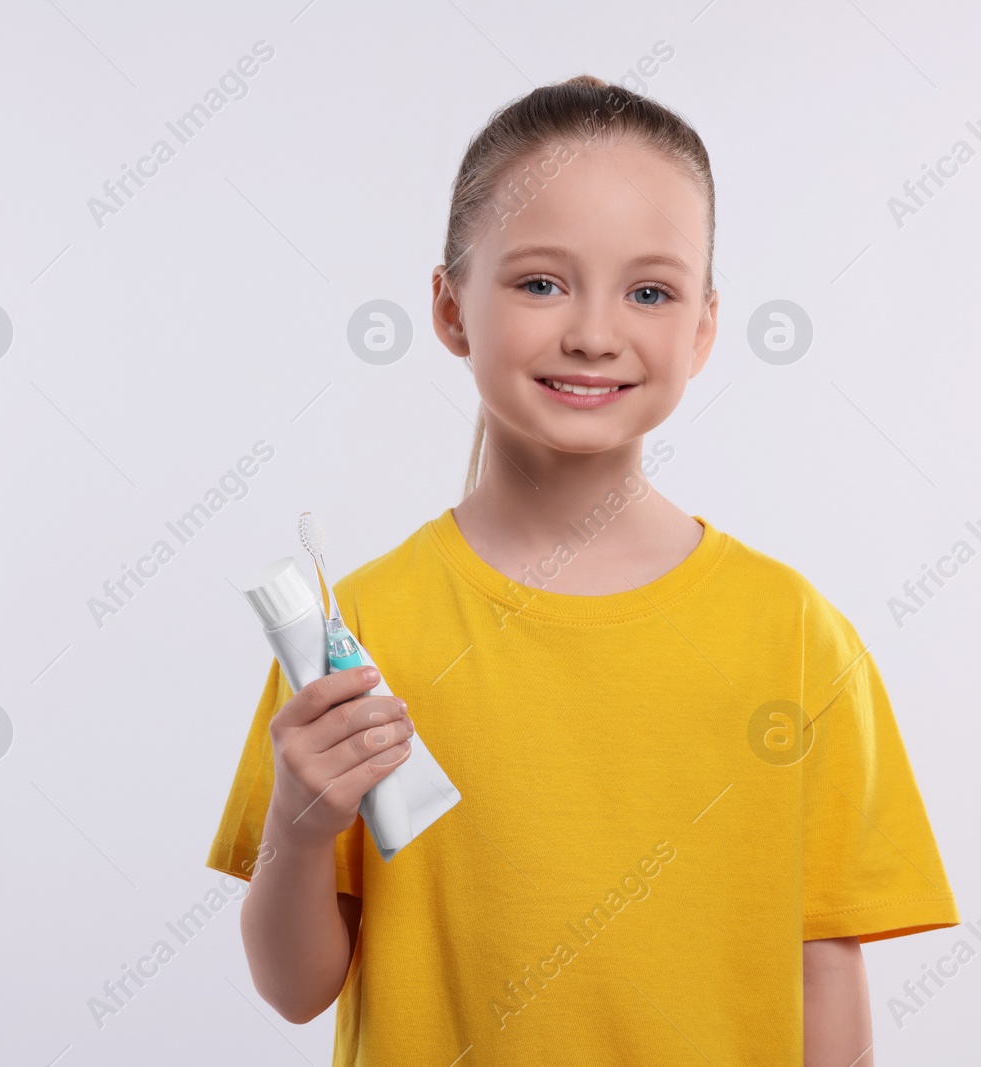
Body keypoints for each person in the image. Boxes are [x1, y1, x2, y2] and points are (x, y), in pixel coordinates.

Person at [205, 74, 959, 1065]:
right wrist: (299, 835)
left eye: (649, 291)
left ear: (700, 328)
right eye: (540, 282)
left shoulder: (794, 634)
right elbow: (294, 988)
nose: (593, 332)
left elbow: (824, 966)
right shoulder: (359, 634)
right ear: (447, 307)